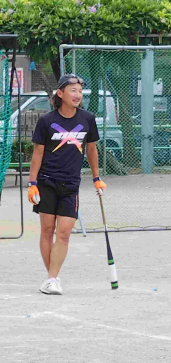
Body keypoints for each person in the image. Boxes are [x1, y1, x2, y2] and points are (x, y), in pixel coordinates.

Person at [27, 74, 107, 295]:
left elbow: (91, 150)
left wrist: (97, 178)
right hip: (46, 182)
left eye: (80, 91)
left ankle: (52, 278)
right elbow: (37, 153)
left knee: (63, 233)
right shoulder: (46, 121)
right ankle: (52, 278)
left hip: (72, 184)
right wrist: (32, 183)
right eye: (73, 90)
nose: (78, 95)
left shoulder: (88, 119)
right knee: (47, 230)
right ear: (60, 94)